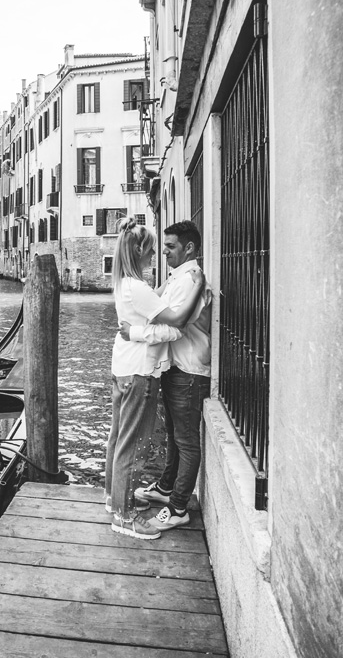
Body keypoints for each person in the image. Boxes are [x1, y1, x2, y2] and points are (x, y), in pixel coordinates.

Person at [104, 216, 202, 540]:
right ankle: (125, 516)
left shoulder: (124, 283)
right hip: (139, 371)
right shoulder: (138, 288)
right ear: (139, 252)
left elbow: (155, 298)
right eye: (150, 250)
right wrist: (198, 288)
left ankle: (114, 500)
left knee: (118, 438)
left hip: (123, 368)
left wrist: (136, 329)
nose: (156, 255)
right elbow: (175, 320)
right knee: (132, 446)